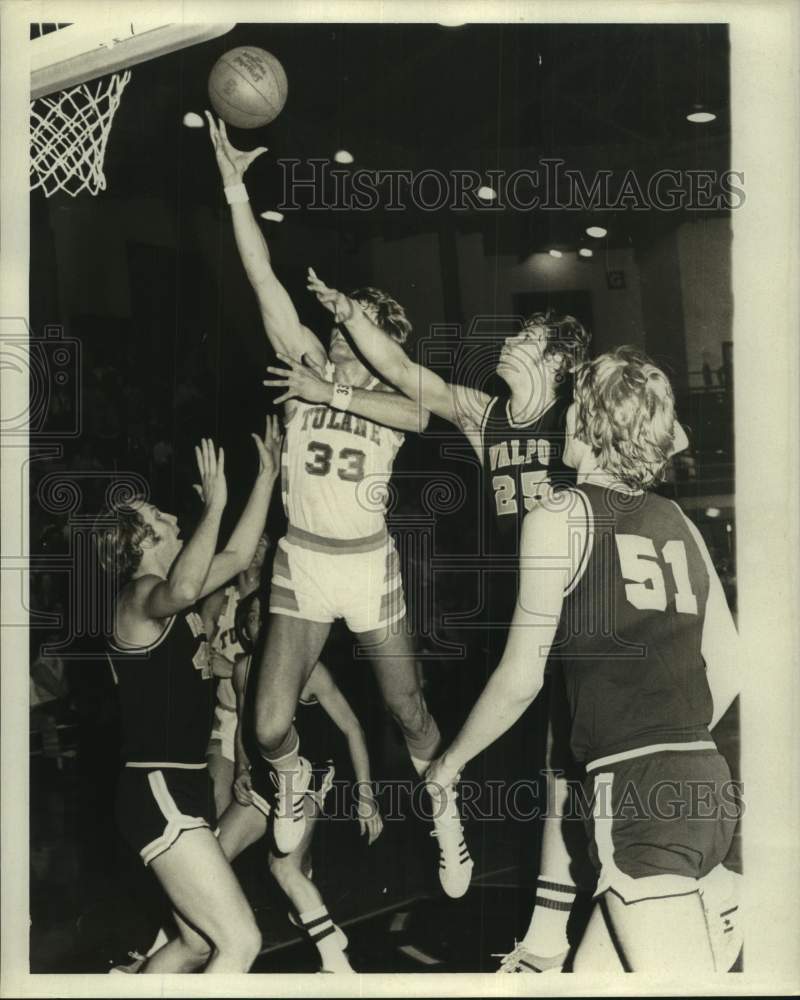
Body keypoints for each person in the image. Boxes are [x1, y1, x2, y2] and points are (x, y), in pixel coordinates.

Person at [205, 112, 472, 898]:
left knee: (410, 714)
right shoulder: (308, 368)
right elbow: (262, 279)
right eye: (339, 328)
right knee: (264, 726)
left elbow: (421, 416)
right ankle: (294, 780)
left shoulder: (395, 399)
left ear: (380, 344)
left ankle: (445, 809)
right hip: (302, 564)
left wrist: (335, 386)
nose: (339, 338)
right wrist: (231, 186)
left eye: (356, 331)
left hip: (367, 569)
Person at [304, 269, 591, 967]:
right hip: (527, 619)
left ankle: (569, 921)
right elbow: (401, 370)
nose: (506, 339)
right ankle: (554, 920)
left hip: (585, 608)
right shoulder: (483, 415)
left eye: (524, 335)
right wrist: (349, 312)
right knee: (557, 767)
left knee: (573, 765)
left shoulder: (577, 424)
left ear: (556, 360)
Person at [426, 348, 741, 973]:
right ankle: (717, 888)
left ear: (587, 423)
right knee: (590, 977)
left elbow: (520, 678)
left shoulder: (559, 515)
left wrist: (448, 763)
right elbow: (728, 665)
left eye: (573, 404)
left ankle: (719, 897)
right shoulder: (677, 519)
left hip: (634, 791)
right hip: (707, 778)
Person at [96, 421, 281, 973]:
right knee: (241, 942)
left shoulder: (170, 596)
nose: (173, 518)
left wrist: (266, 477)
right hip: (158, 788)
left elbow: (239, 553)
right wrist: (216, 503)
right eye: (159, 516)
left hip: (181, 785)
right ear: (143, 539)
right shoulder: (135, 599)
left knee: (196, 944)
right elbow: (178, 587)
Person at [215, 589, 383, 973]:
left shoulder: (310, 671)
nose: (261, 624)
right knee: (207, 858)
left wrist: (366, 795)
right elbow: (244, 729)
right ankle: (164, 946)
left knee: (283, 869)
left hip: (308, 778)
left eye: (268, 618)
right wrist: (241, 769)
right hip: (262, 780)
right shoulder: (243, 669)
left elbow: (353, 728)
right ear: (245, 627)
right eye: (253, 618)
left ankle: (336, 966)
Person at [204, 533, 270, 817]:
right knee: (216, 806)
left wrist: (231, 670)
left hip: (267, 719)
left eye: (263, 543)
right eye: (251, 540)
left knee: (269, 816)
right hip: (227, 716)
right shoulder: (218, 601)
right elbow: (195, 659)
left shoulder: (275, 602)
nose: (255, 548)